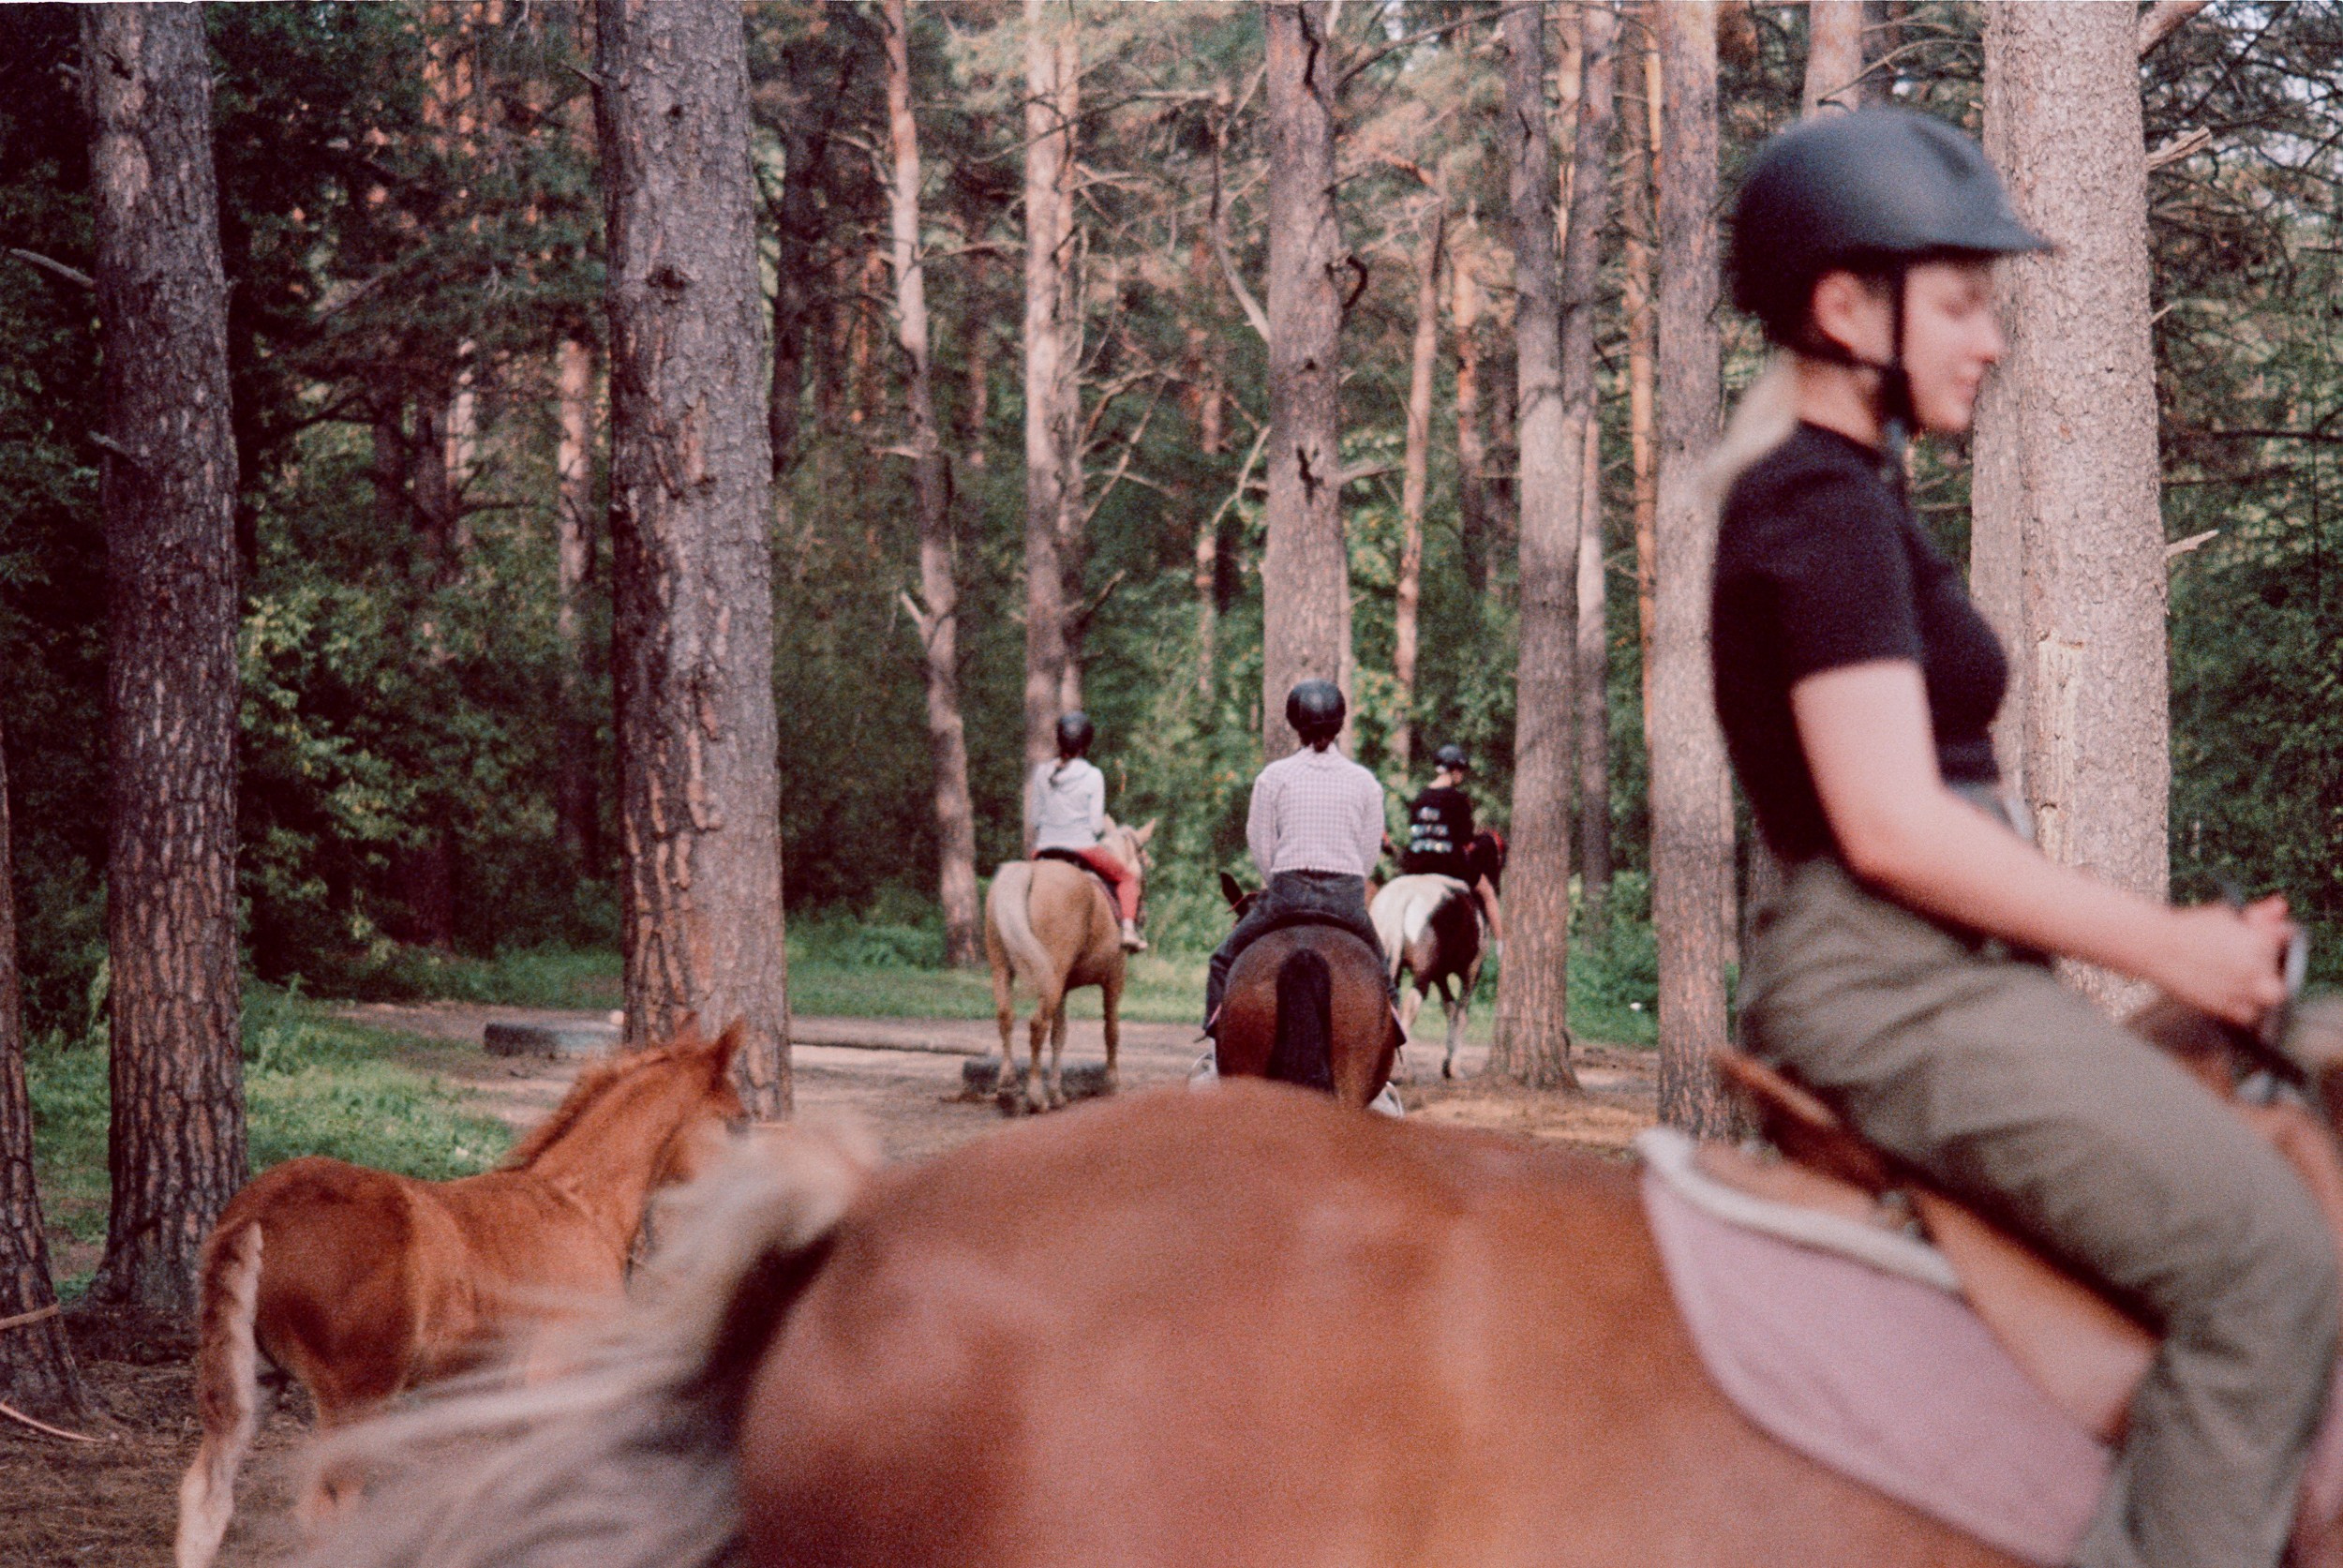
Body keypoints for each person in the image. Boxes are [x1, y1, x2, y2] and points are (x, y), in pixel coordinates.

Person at [1716, 107, 2328, 1568]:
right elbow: (1892, 825)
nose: (1990, 339)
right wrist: (2168, 945)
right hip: (1894, 986)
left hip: (1947, 973)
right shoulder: (1816, 505)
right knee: (2269, 1262)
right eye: (1963, 302)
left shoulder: (1853, 498)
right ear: (1846, 308)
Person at [1202, 680, 1387, 1035]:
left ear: (1294, 724)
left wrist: (1278, 880)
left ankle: (1215, 1041)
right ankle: (1393, 1038)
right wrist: (1347, 880)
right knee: (1383, 972)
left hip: (1288, 895)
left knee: (1222, 961)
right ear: (1340, 724)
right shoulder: (1366, 782)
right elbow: (1368, 854)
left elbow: (1260, 843)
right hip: (1345, 900)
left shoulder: (1273, 777)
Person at [1024, 711, 1145, 952]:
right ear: (1087, 743)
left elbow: (1035, 819)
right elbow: (1097, 826)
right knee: (1127, 878)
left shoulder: (1041, 772)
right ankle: (1129, 930)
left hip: (1043, 849)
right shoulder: (1093, 775)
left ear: (1059, 741)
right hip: (1082, 848)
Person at [1398, 743, 1503, 947]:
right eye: (1461, 771)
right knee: (1488, 893)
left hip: (1417, 864)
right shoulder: (1457, 799)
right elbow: (1467, 843)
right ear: (1455, 771)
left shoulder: (1420, 797)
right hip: (1448, 865)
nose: (1461, 776)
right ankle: (1501, 946)